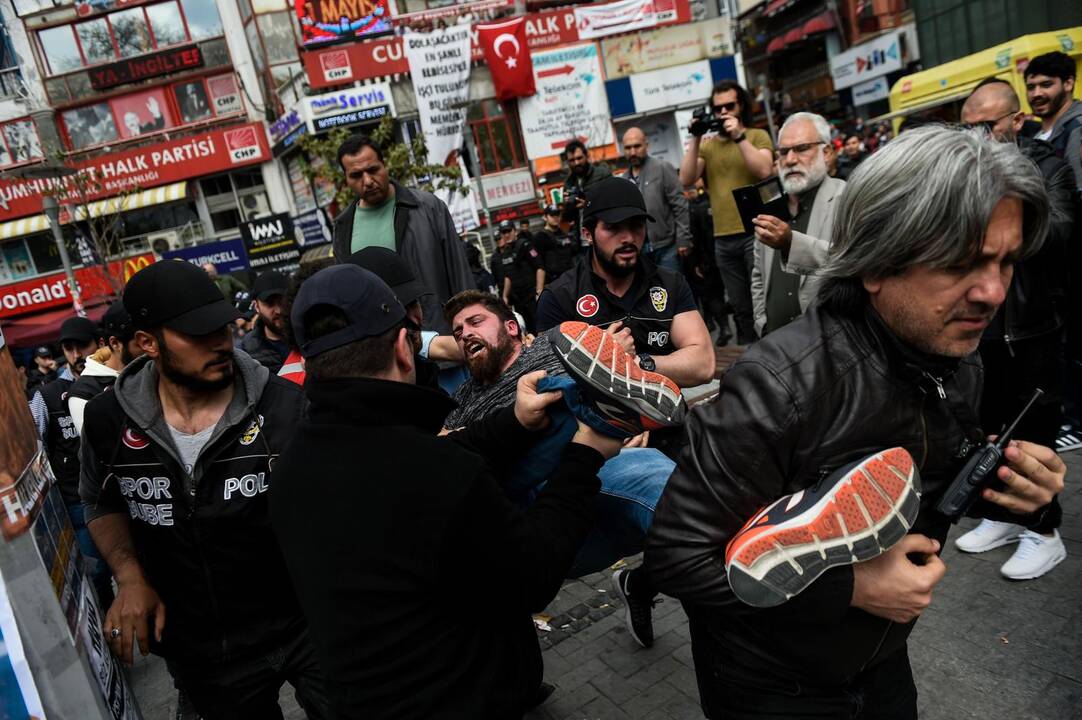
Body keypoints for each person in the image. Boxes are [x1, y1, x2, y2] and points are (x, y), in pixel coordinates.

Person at [646, 126, 1064, 719]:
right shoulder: (782, 383)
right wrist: (855, 589)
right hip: (772, 688)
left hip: (882, 669)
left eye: (1006, 261)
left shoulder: (956, 354)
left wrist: (1021, 498)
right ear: (876, 264)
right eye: (961, 263)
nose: (993, 292)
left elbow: (931, 491)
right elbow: (677, 558)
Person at [269, 263, 622, 719]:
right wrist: (585, 456)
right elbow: (534, 572)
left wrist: (515, 420)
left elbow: (439, 450)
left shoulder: (291, 472)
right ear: (403, 348)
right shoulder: (438, 472)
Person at [79, 260, 330, 718]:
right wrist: (129, 575)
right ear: (147, 343)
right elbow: (101, 500)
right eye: (197, 334)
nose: (221, 344)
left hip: (307, 628)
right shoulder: (106, 421)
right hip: (203, 652)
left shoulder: (285, 406)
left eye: (222, 328)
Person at [442, 291, 681, 647]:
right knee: (552, 399)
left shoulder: (555, 346)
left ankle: (642, 585)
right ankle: (607, 412)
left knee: (680, 509)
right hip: (531, 504)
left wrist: (622, 360)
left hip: (602, 466)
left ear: (511, 327)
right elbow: (446, 450)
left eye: (475, 322)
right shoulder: (461, 400)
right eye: (458, 332)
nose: (465, 334)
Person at [951, 78, 1075, 579]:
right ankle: (1000, 517)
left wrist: (1006, 201)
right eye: (967, 127)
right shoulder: (964, 173)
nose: (976, 137)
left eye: (986, 126)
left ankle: (1044, 532)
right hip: (981, 330)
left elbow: (1060, 230)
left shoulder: (1048, 167)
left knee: (1032, 437)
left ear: (1015, 122)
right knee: (987, 431)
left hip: (1033, 328)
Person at [537, 176, 715, 390]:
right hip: (596, 422)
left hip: (668, 415)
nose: (628, 237)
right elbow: (547, 381)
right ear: (588, 234)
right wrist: (600, 358)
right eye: (613, 227)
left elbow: (703, 364)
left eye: (636, 226)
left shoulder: (670, 283)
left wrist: (637, 363)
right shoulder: (559, 297)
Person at [331, 134, 474, 335]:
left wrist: (469, 330)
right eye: (356, 175)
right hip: (384, 353)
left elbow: (460, 275)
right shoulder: (342, 227)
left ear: (385, 165)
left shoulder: (428, 208)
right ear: (345, 180)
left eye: (373, 170)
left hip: (441, 342)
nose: (368, 181)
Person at [679, 80, 774, 345]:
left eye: (729, 106)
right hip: (723, 238)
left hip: (757, 231)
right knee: (740, 306)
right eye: (718, 108)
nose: (723, 112)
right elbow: (686, 179)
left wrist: (738, 137)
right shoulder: (708, 146)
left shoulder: (756, 136)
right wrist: (696, 137)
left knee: (762, 301)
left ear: (740, 105)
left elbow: (764, 170)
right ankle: (750, 355)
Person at [750, 112, 846, 337]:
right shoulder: (769, 206)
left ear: (827, 153)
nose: (790, 159)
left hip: (828, 342)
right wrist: (761, 322)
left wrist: (791, 244)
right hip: (776, 343)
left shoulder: (847, 198)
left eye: (802, 148)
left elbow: (851, 263)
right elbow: (758, 274)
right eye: (783, 152)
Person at [30, 316, 105, 602]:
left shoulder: (113, 382)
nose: (76, 354)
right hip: (78, 502)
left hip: (122, 494)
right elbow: (33, 445)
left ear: (99, 344)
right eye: (69, 348)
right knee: (96, 575)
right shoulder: (46, 396)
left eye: (81, 346)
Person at [622, 127, 692, 272]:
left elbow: (680, 206)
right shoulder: (624, 179)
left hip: (668, 247)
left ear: (647, 145)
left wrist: (683, 239)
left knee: (673, 291)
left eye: (637, 146)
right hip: (640, 250)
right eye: (628, 148)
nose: (633, 152)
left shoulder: (662, 168)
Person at [68, 302, 144, 435]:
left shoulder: (153, 371)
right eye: (141, 343)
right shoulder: (84, 393)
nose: (150, 349)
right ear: (115, 343)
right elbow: (98, 449)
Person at [1022, 51, 1081, 190]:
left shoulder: (1077, 129)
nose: (1037, 94)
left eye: (1046, 85)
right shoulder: (1033, 133)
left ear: (1068, 84)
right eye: (1031, 87)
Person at [491, 220, 544, 333]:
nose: (506, 234)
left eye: (509, 231)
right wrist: (505, 296)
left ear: (515, 231)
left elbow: (540, 267)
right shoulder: (505, 253)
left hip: (531, 295)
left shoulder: (525, 245)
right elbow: (507, 276)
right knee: (527, 329)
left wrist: (539, 291)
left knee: (540, 325)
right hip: (518, 299)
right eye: (503, 232)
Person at [561, 139, 612, 249]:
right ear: (567, 162)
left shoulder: (602, 174)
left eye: (579, 158)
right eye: (572, 160)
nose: (576, 163)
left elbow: (614, 202)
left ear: (586, 156)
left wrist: (588, 204)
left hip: (605, 237)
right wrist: (568, 206)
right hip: (582, 242)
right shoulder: (568, 183)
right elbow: (567, 219)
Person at [240, 270, 290, 374]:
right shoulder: (247, 353)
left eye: (282, 301)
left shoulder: (309, 335)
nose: (278, 310)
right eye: (269, 303)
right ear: (256, 306)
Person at [533, 205, 576, 285]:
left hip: (571, 276)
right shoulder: (540, 237)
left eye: (558, 215)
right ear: (545, 217)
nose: (556, 217)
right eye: (552, 215)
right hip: (555, 281)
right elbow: (539, 264)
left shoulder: (563, 232)